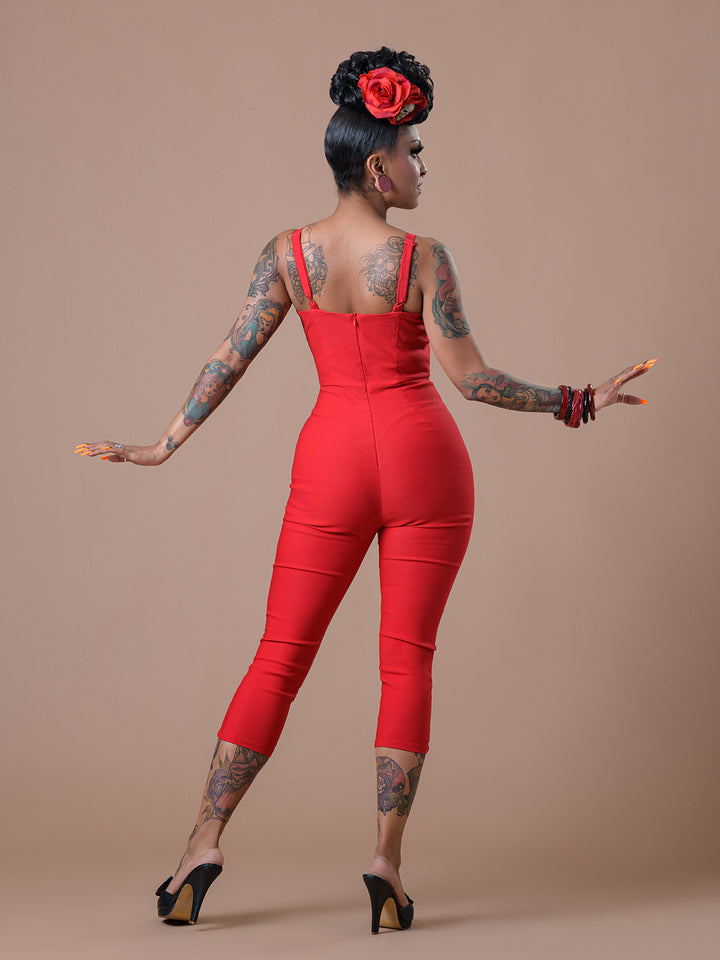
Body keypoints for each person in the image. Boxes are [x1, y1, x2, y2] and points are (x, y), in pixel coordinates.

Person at [76, 46, 655, 933]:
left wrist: (164, 445)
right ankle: (386, 863)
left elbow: (230, 355)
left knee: (279, 655)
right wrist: (579, 401)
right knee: (407, 660)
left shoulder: (288, 254)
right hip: (426, 460)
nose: (423, 165)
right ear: (379, 166)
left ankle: (201, 844)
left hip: (332, 461)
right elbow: (474, 381)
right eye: (414, 151)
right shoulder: (423, 258)